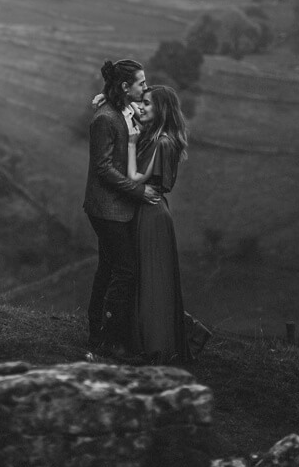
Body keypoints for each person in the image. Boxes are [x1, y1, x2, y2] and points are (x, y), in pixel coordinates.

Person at [127, 85, 209, 364]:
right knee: (148, 277)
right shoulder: (159, 138)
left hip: (151, 213)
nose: (142, 107)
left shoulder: (162, 142)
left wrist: (129, 141)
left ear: (161, 109)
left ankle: (157, 346)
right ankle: (155, 340)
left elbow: (137, 177)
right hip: (150, 210)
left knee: (153, 280)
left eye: (148, 104)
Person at [82, 58, 151, 356]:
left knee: (108, 267)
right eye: (142, 83)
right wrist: (138, 191)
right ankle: (109, 336)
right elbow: (103, 168)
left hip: (116, 206)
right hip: (106, 209)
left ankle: (97, 330)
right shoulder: (105, 119)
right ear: (125, 86)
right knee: (125, 270)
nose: (146, 88)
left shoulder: (124, 111)